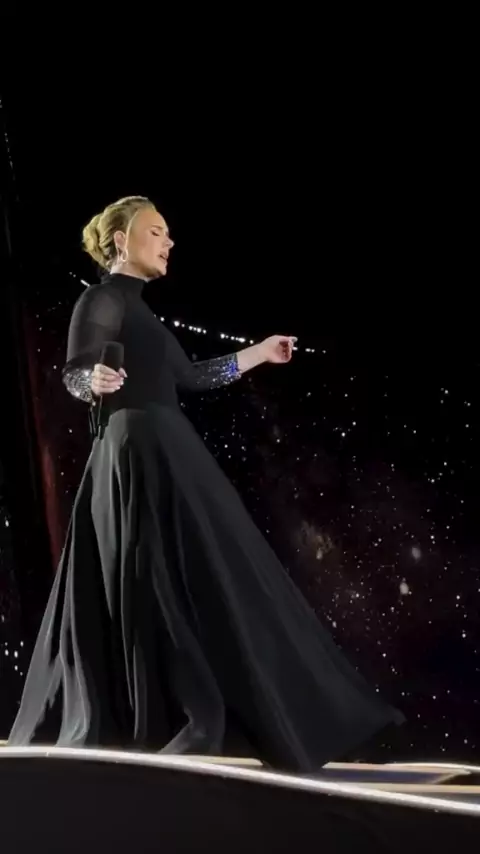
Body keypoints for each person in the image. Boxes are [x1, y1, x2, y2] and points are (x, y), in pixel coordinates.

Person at [8, 196, 403, 771]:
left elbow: (193, 377)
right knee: (153, 580)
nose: (169, 243)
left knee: (209, 575)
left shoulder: (143, 314)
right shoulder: (101, 299)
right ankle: (171, 720)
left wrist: (260, 353)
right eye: (156, 232)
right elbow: (76, 370)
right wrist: (90, 380)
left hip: (168, 450)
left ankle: (225, 715)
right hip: (135, 453)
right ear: (121, 240)